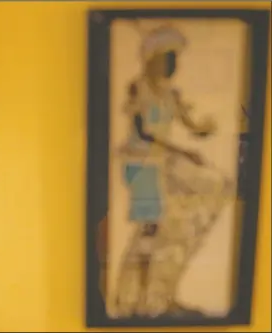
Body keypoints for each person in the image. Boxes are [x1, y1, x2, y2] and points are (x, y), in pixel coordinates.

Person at [105, 25, 233, 319]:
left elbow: (191, 124)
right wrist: (183, 151)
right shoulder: (139, 88)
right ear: (153, 58)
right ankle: (133, 302)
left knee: (174, 228)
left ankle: (159, 298)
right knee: (148, 236)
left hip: (163, 165)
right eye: (168, 56)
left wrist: (206, 128)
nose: (173, 64)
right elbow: (144, 132)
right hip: (142, 166)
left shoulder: (170, 93)